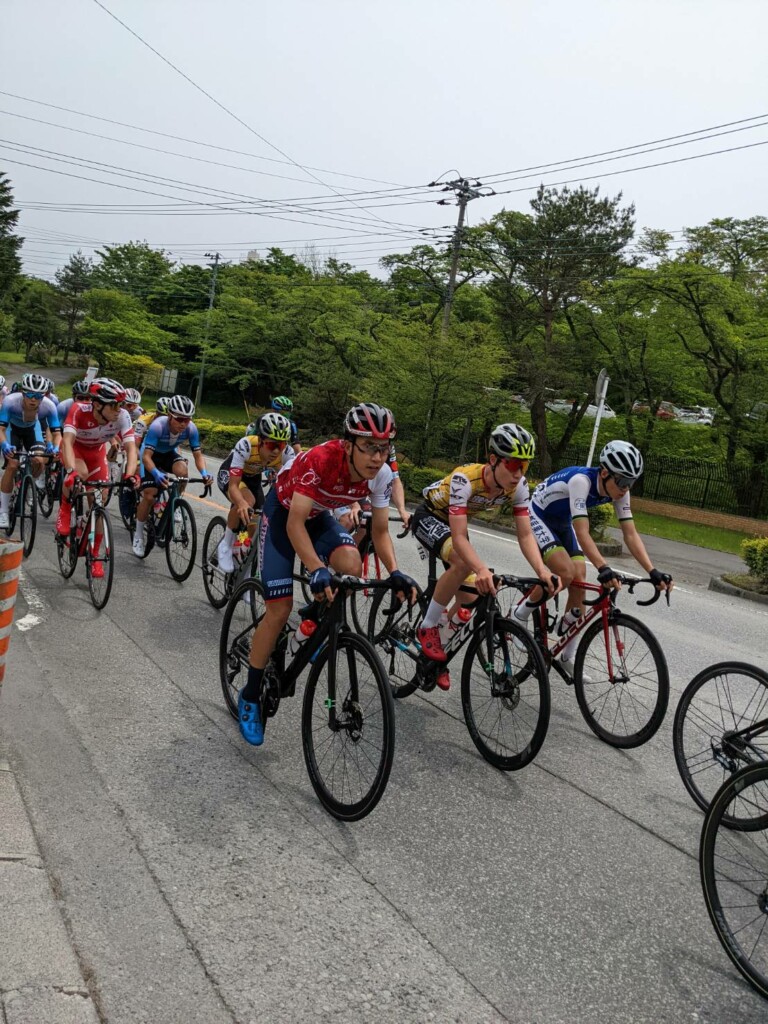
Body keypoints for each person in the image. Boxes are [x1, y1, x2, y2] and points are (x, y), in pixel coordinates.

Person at [236, 402, 418, 747]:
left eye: (384, 448)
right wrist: (317, 569)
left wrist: (395, 571)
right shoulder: (321, 459)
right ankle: (250, 693)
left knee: (351, 565)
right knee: (279, 610)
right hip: (284, 514)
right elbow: (293, 524)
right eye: (369, 446)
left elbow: (379, 531)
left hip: (318, 516)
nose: (377, 457)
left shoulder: (380, 475)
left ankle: (310, 625)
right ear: (348, 444)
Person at [410, 423, 558, 686]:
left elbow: (525, 535)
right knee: (460, 561)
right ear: (493, 460)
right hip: (430, 516)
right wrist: (479, 569)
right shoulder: (464, 479)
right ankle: (428, 625)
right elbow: (458, 538)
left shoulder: (519, 487)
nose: (519, 473)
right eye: (513, 464)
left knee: (471, 597)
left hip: (456, 526)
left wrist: (542, 570)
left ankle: (436, 655)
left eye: (525, 466)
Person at [520, 440, 673, 676]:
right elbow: (582, 531)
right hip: (539, 514)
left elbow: (630, 535)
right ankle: (520, 612)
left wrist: (653, 571)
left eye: (631, 482)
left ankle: (566, 658)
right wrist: (604, 567)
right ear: (604, 473)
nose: (625, 488)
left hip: (561, 522)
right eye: (622, 481)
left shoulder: (620, 491)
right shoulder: (581, 482)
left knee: (580, 577)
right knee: (565, 573)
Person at [57, 379, 139, 577]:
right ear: (97, 404)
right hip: (75, 452)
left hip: (96, 455)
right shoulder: (78, 410)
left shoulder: (122, 416)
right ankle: (65, 510)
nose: (119, 410)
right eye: (114, 405)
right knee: (80, 474)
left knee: (99, 502)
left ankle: (95, 557)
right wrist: (70, 471)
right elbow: (67, 442)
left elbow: (131, 448)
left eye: (121, 404)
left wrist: (129, 475)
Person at [132, 394, 212, 557]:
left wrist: (204, 473)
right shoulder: (157, 426)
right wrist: (155, 473)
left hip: (168, 453)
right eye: (179, 419)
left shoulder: (191, 429)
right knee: (149, 496)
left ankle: (175, 502)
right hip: (150, 456)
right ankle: (139, 534)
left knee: (183, 472)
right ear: (169, 416)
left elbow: (198, 455)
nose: (183, 424)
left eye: (187, 419)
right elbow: (146, 457)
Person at [215, 412, 294, 573]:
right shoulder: (246, 445)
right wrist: (241, 503)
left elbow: (292, 485)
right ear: (260, 441)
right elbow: (234, 486)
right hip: (231, 476)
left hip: (253, 478)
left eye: (282, 445)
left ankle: (244, 567)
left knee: (258, 524)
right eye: (272, 445)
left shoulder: (287, 454)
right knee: (246, 501)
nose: (277, 451)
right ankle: (226, 543)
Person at [0, 373, 62, 527]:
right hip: (11, 430)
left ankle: (28, 484)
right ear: (22, 393)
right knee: (13, 464)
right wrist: (5, 445)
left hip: (32, 430)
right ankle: (3, 512)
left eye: (38, 395)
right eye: (29, 395)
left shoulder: (49, 405)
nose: (34, 399)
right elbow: (1, 429)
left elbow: (56, 433)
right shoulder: (10, 401)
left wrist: (54, 446)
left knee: (39, 460)